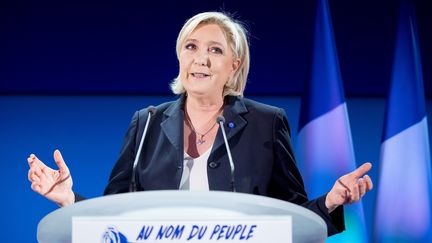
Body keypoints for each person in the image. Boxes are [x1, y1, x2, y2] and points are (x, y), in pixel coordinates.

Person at [27, 11, 373, 236]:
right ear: (180, 57)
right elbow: (112, 221)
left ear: (233, 67)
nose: (201, 59)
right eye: (191, 47)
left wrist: (331, 201)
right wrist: (68, 198)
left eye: (216, 50)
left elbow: (292, 218)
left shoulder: (266, 123)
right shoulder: (146, 123)